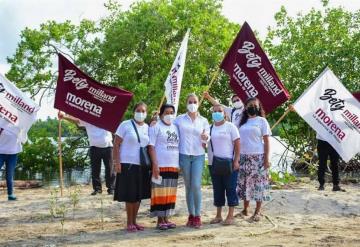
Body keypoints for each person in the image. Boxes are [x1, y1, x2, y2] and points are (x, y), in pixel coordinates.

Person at [113, 102, 151, 232]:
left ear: (146, 113)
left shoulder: (147, 127)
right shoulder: (125, 125)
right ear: (134, 112)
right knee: (130, 195)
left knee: (138, 195)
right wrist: (116, 162)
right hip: (127, 164)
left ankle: (135, 221)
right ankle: (129, 222)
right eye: (138, 110)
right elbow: (116, 144)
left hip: (142, 165)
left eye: (143, 111)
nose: (140, 113)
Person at [174, 93, 210, 228]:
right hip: (183, 155)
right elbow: (170, 129)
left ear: (198, 103)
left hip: (198, 155)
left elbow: (208, 135)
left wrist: (206, 137)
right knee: (188, 186)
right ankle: (191, 215)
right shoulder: (179, 119)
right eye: (190, 102)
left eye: (195, 102)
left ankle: (198, 215)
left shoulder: (204, 120)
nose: (192, 104)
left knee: (196, 185)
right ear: (186, 103)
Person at [58, 112, 114, 195]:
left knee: (110, 169)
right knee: (95, 170)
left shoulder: (106, 118)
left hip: (108, 147)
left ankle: (111, 188)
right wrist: (64, 117)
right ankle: (97, 189)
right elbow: (76, 121)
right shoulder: (88, 120)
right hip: (94, 147)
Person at [237, 97, 271, 222]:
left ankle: (257, 211)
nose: (252, 106)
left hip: (258, 157)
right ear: (245, 107)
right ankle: (245, 209)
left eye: (255, 104)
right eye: (250, 105)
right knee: (245, 184)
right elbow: (237, 140)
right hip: (244, 157)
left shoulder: (262, 121)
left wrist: (266, 159)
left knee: (258, 185)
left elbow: (267, 141)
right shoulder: (242, 123)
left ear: (259, 107)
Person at [148, 104, 180, 230]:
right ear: (161, 114)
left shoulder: (175, 127)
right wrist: (155, 165)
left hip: (173, 165)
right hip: (160, 165)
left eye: (172, 112)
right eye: (166, 112)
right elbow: (151, 147)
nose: (169, 115)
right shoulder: (156, 126)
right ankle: (159, 220)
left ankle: (167, 218)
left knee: (170, 193)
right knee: (159, 193)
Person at [208, 104, 240, 225]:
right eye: (214, 111)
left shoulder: (231, 127)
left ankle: (230, 216)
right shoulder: (210, 128)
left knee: (231, 188)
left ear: (224, 113)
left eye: (219, 111)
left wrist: (236, 160)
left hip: (229, 163)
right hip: (214, 163)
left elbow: (237, 144)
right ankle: (218, 215)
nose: (217, 113)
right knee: (218, 189)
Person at [0, 123, 23, 201]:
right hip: (1, 152)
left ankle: (10, 194)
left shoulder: (19, 124)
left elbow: (23, 136)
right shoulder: (1, 121)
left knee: (10, 175)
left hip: (13, 153)